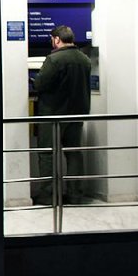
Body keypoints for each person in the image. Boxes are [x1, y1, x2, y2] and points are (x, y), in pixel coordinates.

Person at [33, 25, 92, 205]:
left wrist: (35, 81)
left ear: (57, 39)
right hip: (77, 113)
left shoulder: (54, 59)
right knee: (73, 153)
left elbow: (40, 84)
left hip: (53, 114)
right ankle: (75, 195)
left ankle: (48, 196)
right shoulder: (85, 59)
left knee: (48, 154)